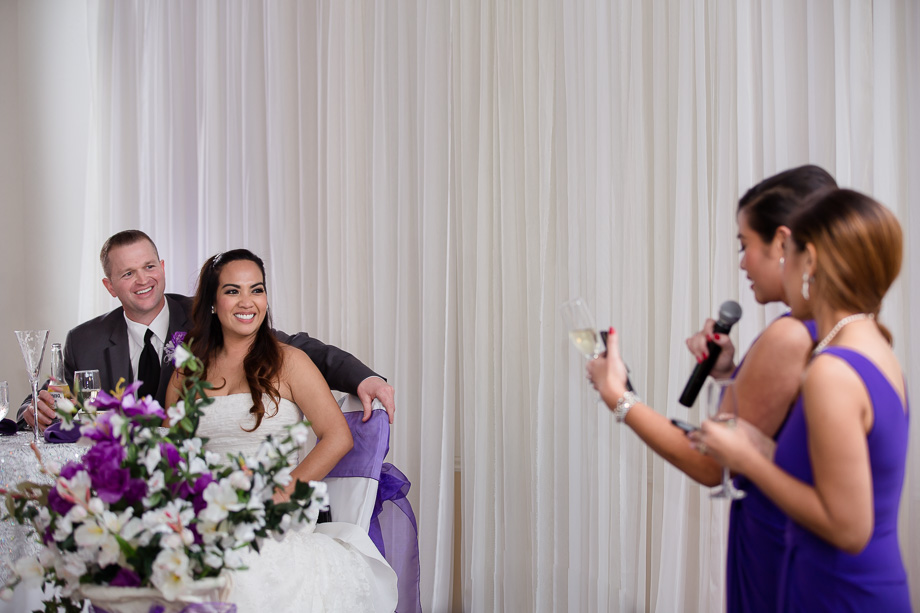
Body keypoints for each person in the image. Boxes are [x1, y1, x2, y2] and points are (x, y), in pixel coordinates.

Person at [586, 165, 836, 612]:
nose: (742, 263)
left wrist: (619, 397)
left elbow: (710, 465)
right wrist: (728, 374)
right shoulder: (825, 326)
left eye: (746, 246)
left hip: (778, 541)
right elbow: (777, 430)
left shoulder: (789, 335)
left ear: (782, 242)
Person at [695, 188, 910, 611]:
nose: (782, 267)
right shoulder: (877, 348)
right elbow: (831, 473)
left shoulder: (831, 370)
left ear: (809, 261)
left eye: (787, 254)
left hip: (837, 593)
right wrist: (761, 446)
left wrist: (748, 461)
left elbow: (848, 527)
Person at [165, 249, 398, 612]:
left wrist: (283, 492)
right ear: (212, 301)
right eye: (232, 291)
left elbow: (337, 436)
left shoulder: (289, 361)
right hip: (207, 512)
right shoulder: (187, 370)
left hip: (276, 514)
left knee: (240, 572)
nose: (247, 302)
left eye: (256, 290)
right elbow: (169, 453)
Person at [20, 230, 395, 430]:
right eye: (128, 273)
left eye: (149, 266)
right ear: (109, 286)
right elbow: (51, 394)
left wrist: (362, 377)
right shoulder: (84, 340)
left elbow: (293, 346)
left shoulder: (205, 315)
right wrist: (32, 409)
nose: (143, 280)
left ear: (162, 267)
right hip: (118, 484)